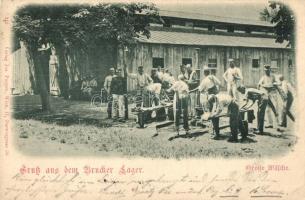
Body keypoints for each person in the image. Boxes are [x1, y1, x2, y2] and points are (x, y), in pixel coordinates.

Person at [198, 67, 222, 139]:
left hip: (211, 98)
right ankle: (216, 132)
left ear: (204, 73)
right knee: (216, 114)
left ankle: (215, 133)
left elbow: (200, 89)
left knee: (212, 115)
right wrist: (217, 91)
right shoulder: (213, 77)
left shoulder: (204, 80)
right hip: (217, 97)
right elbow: (220, 84)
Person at [258, 65, 279, 129]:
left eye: (268, 70)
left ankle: (278, 124)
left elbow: (276, 83)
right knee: (267, 109)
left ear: (270, 70)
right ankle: (270, 124)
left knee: (275, 108)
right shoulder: (263, 77)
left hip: (273, 93)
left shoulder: (273, 76)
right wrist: (262, 87)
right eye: (265, 70)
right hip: (266, 93)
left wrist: (274, 84)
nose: (267, 72)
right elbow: (259, 84)